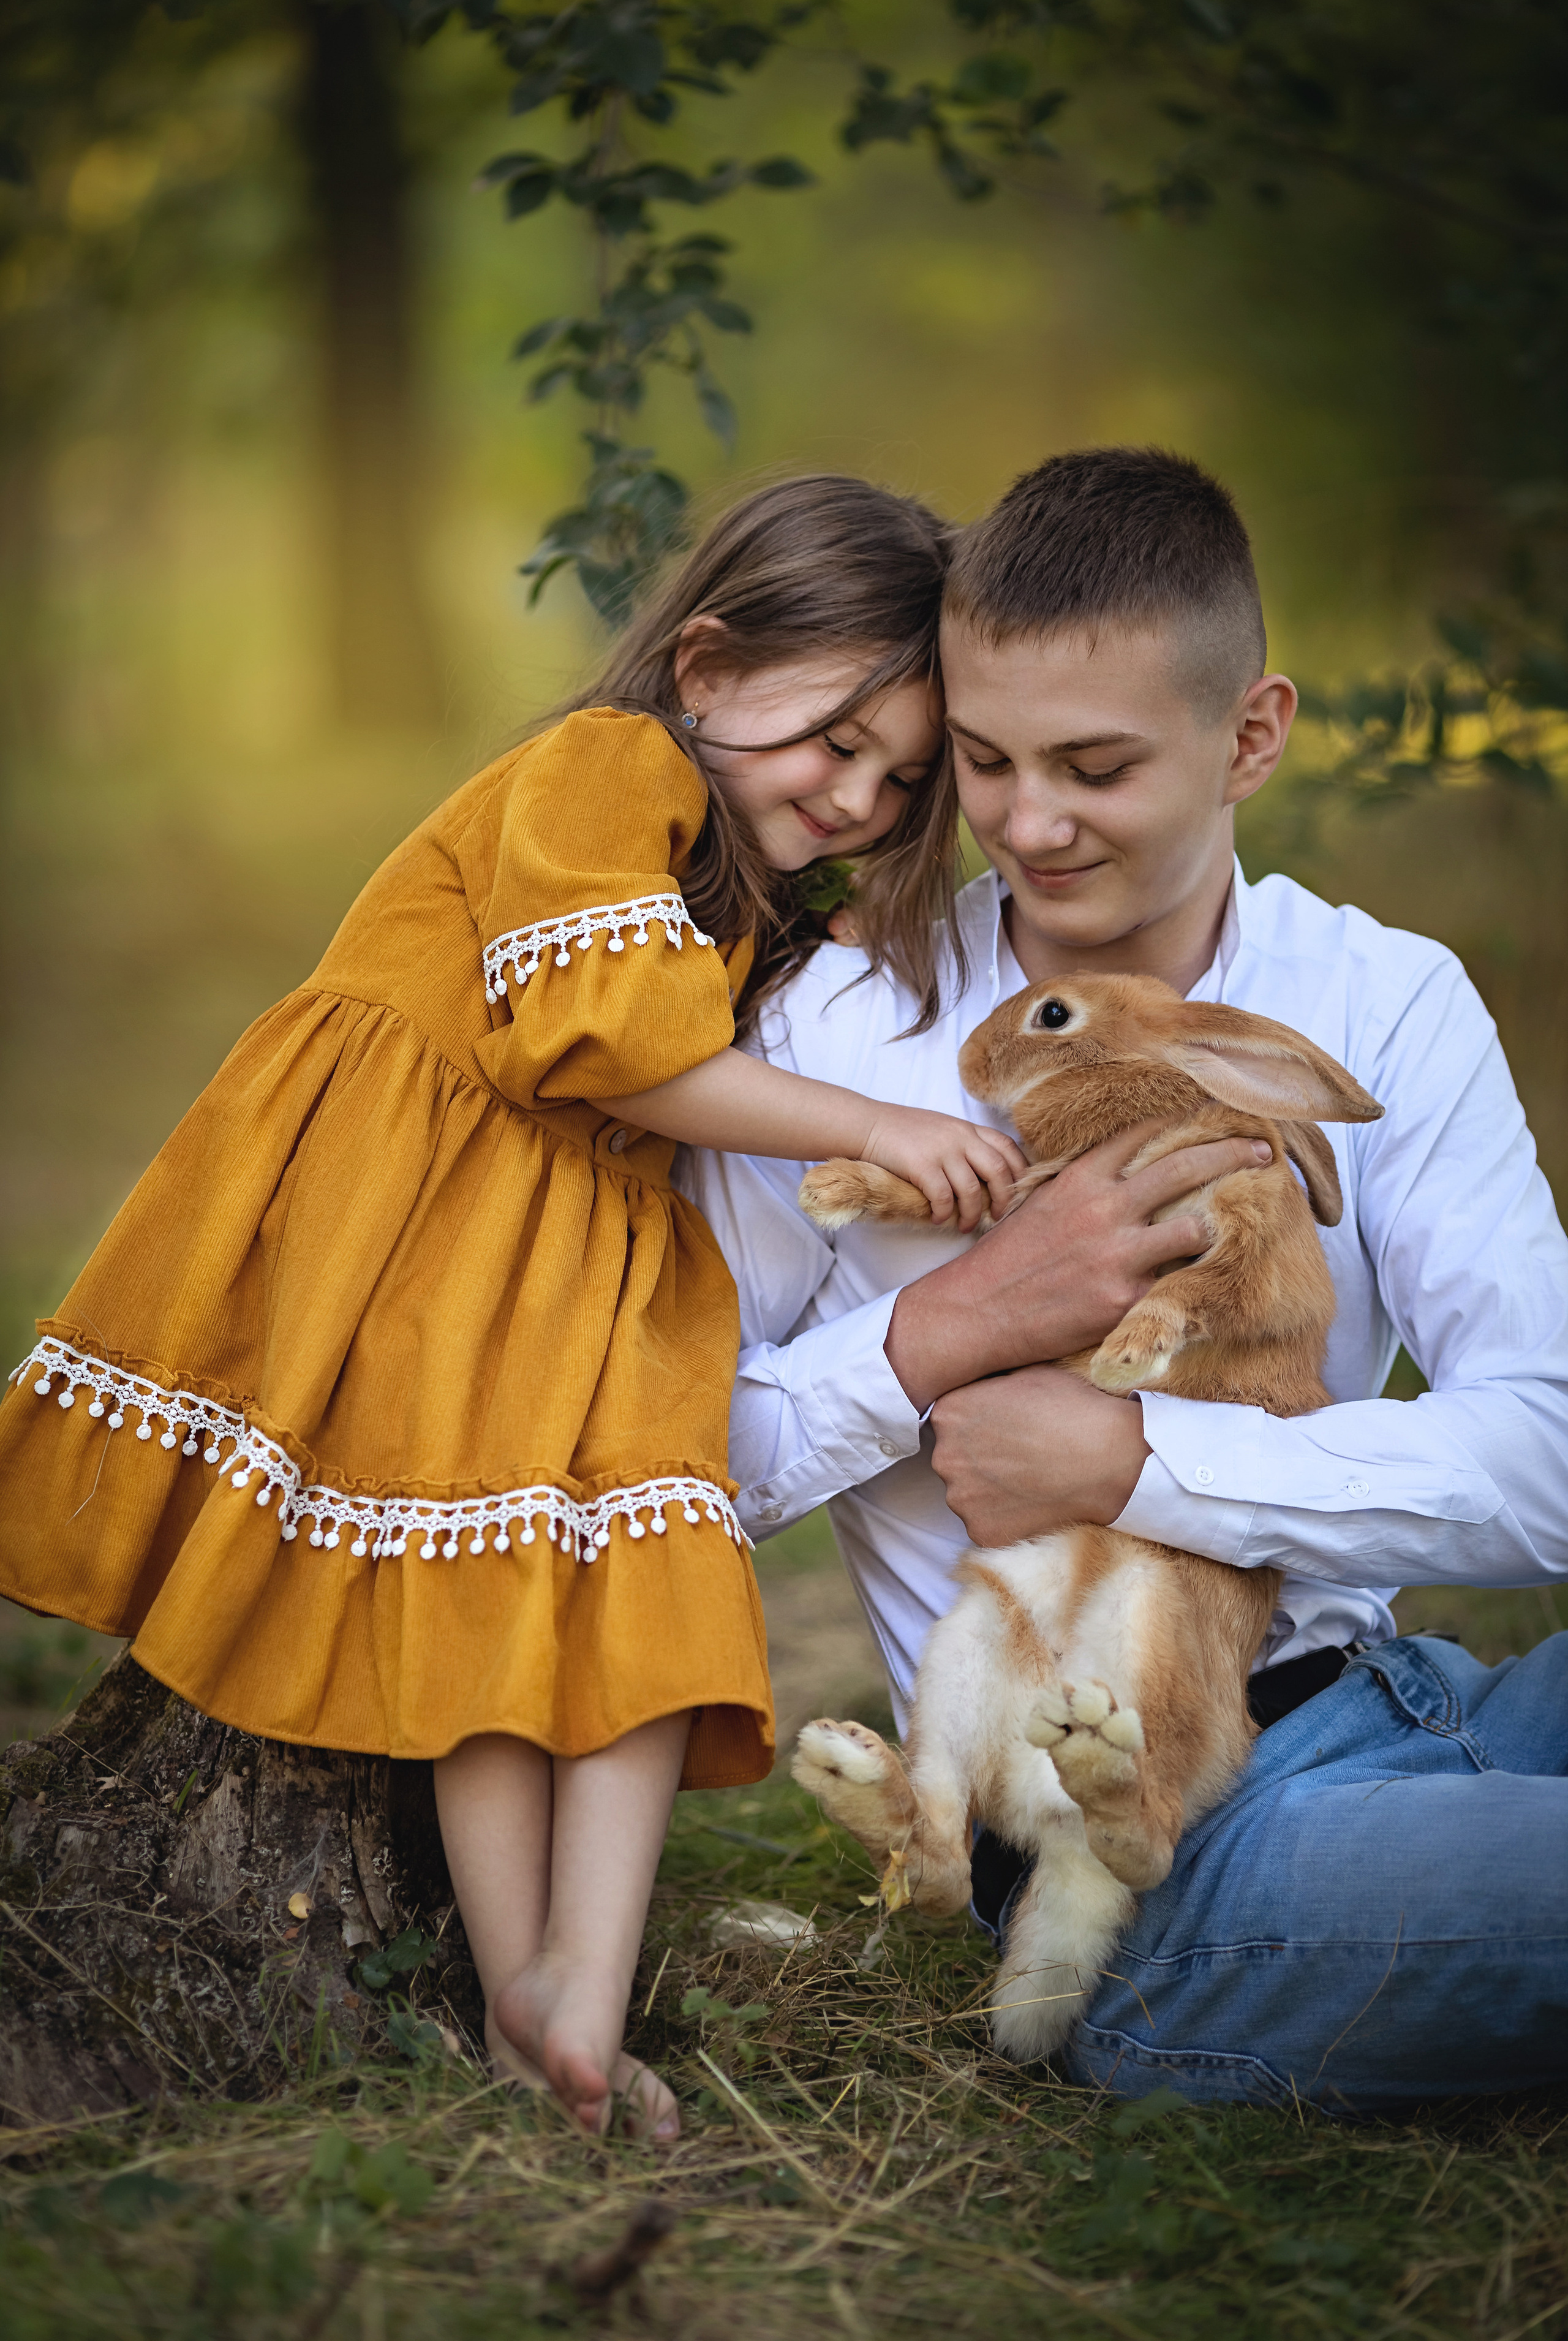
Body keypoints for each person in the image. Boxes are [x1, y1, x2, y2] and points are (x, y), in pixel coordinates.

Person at [0, 475, 1030, 2141]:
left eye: (903, 779)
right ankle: (520, 1981)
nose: (857, 797)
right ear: (706, 666)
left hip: (575, 1255)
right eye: (836, 741)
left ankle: (567, 1991)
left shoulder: (736, 875)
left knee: (634, 1571)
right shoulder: (608, 765)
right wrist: (875, 1127)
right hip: (425, 1224)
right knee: (484, 1596)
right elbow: (602, 1045)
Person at [678, 447, 1568, 2114]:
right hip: (1158, 1847)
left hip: (1417, 1699)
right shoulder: (833, 1041)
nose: (1028, 826)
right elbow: (661, 1470)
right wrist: (951, 1328)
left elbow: (1549, 1452)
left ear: (1250, 737)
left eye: (1096, 768)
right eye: (988, 761)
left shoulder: (1380, 997)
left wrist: (1146, 1462)